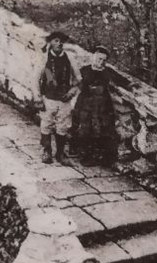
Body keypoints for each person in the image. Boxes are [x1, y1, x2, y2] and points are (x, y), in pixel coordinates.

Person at [71, 44, 120, 167]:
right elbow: (75, 83)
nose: (101, 62)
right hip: (86, 103)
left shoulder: (108, 72)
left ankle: (99, 156)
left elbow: (123, 82)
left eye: (104, 60)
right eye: (99, 59)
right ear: (93, 57)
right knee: (84, 128)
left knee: (101, 129)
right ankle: (84, 153)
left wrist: (132, 87)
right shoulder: (85, 70)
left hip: (102, 105)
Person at [37, 31, 78, 164]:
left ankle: (60, 154)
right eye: (55, 41)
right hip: (48, 98)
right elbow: (35, 79)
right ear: (50, 43)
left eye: (61, 41)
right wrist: (37, 97)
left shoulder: (69, 58)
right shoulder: (45, 59)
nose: (59, 43)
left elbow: (78, 79)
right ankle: (46, 151)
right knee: (46, 123)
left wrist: (72, 91)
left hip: (64, 98)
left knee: (63, 125)